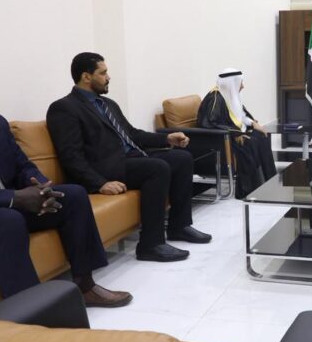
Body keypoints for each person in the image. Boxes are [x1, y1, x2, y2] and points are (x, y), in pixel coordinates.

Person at [0, 52, 131, 307]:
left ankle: (85, 286)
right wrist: (13, 198)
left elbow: (22, 165)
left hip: (14, 203)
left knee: (73, 195)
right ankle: (30, 308)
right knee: (7, 219)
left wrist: (42, 187)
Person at [47, 52, 210, 264]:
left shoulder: (107, 104)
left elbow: (132, 134)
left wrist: (166, 139)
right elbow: (71, 155)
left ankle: (179, 226)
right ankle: (150, 244)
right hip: (105, 167)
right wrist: (100, 183)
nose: (108, 77)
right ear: (86, 77)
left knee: (182, 158)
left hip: (130, 158)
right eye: (103, 73)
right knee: (157, 168)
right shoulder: (64, 108)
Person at [197, 68, 276, 198]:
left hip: (234, 134)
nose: (243, 86)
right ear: (231, 83)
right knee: (249, 143)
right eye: (240, 83)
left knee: (262, 136)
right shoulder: (215, 98)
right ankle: (249, 189)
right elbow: (210, 123)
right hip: (222, 140)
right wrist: (236, 134)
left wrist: (253, 123)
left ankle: (269, 181)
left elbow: (240, 114)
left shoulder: (229, 94)